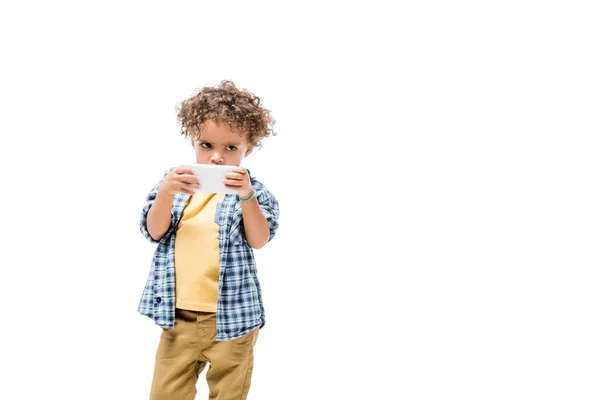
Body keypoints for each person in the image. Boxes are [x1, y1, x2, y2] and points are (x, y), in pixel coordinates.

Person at [137, 80, 280, 400]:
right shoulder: (174, 185)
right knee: (166, 393)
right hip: (178, 319)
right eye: (206, 145)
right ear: (193, 140)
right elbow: (154, 231)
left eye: (230, 148)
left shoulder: (254, 192)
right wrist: (165, 193)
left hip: (233, 319)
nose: (217, 157)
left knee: (229, 393)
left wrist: (247, 196)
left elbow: (259, 239)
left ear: (249, 148)